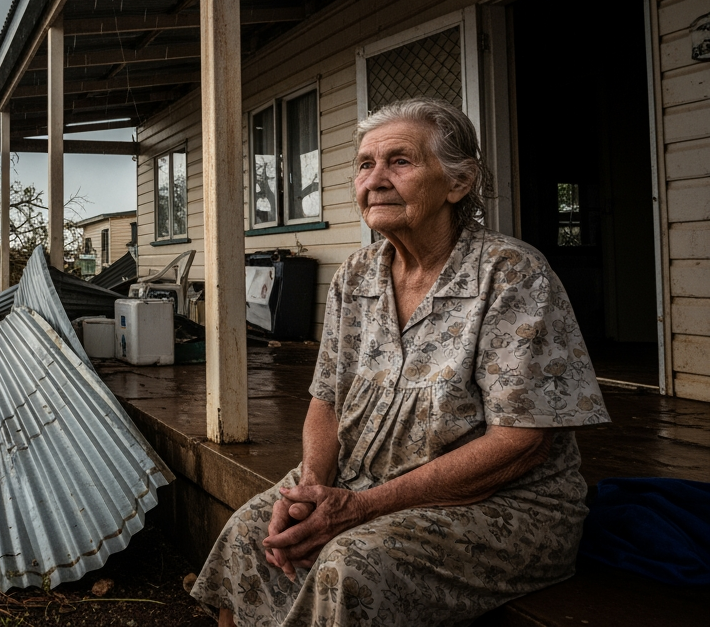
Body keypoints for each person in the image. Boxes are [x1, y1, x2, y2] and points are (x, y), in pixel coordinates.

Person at [190, 98, 610, 626]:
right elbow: (326, 400)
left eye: (401, 161)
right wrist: (313, 486)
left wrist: (362, 508)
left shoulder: (510, 274)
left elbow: (519, 444)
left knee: (352, 564)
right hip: (358, 480)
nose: (376, 179)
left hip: (500, 506)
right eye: (365, 164)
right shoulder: (356, 275)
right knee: (254, 528)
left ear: (458, 183)